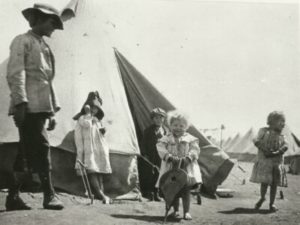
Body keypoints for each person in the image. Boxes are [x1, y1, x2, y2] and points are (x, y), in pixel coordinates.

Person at [5, 3, 64, 211]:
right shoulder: (23, 41)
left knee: (25, 151)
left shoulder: (45, 47)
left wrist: (52, 111)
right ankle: (49, 195)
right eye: (52, 22)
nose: (54, 27)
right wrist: (20, 103)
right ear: (37, 19)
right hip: (28, 108)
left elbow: (48, 80)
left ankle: (13, 197)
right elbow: (16, 73)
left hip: (41, 109)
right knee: (42, 148)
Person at [156, 110, 202, 220]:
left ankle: (186, 211)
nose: (178, 128)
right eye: (175, 125)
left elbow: (195, 150)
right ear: (170, 125)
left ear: (186, 127)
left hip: (186, 167)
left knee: (185, 190)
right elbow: (160, 147)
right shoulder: (166, 138)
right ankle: (176, 211)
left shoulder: (191, 139)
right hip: (171, 167)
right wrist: (168, 156)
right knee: (173, 189)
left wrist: (189, 157)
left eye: (182, 125)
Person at [74, 91, 112, 204]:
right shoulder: (83, 118)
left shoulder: (97, 120)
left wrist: (103, 131)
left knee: (99, 170)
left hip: (97, 150)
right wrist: (87, 114)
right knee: (92, 171)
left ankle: (101, 192)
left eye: (96, 108)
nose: (93, 110)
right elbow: (87, 125)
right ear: (87, 107)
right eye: (91, 107)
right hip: (88, 149)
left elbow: (99, 134)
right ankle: (100, 194)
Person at [250, 111, 288, 212]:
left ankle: (272, 203)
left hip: (276, 162)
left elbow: (286, 146)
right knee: (264, 182)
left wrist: (276, 152)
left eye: (284, 122)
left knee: (274, 184)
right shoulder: (264, 131)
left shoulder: (282, 135)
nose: (283, 124)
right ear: (273, 121)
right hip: (265, 161)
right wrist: (264, 150)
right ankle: (262, 197)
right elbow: (256, 140)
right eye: (281, 121)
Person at [141, 107, 167, 201]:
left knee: (160, 174)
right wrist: (144, 154)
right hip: (151, 156)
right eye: (156, 118)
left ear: (164, 119)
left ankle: (157, 193)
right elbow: (143, 143)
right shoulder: (148, 131)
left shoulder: (166, 131)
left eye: (161, 118)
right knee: (150, 174)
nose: (159, 120)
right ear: (152, 119)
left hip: (161, 157)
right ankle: (150, 193)